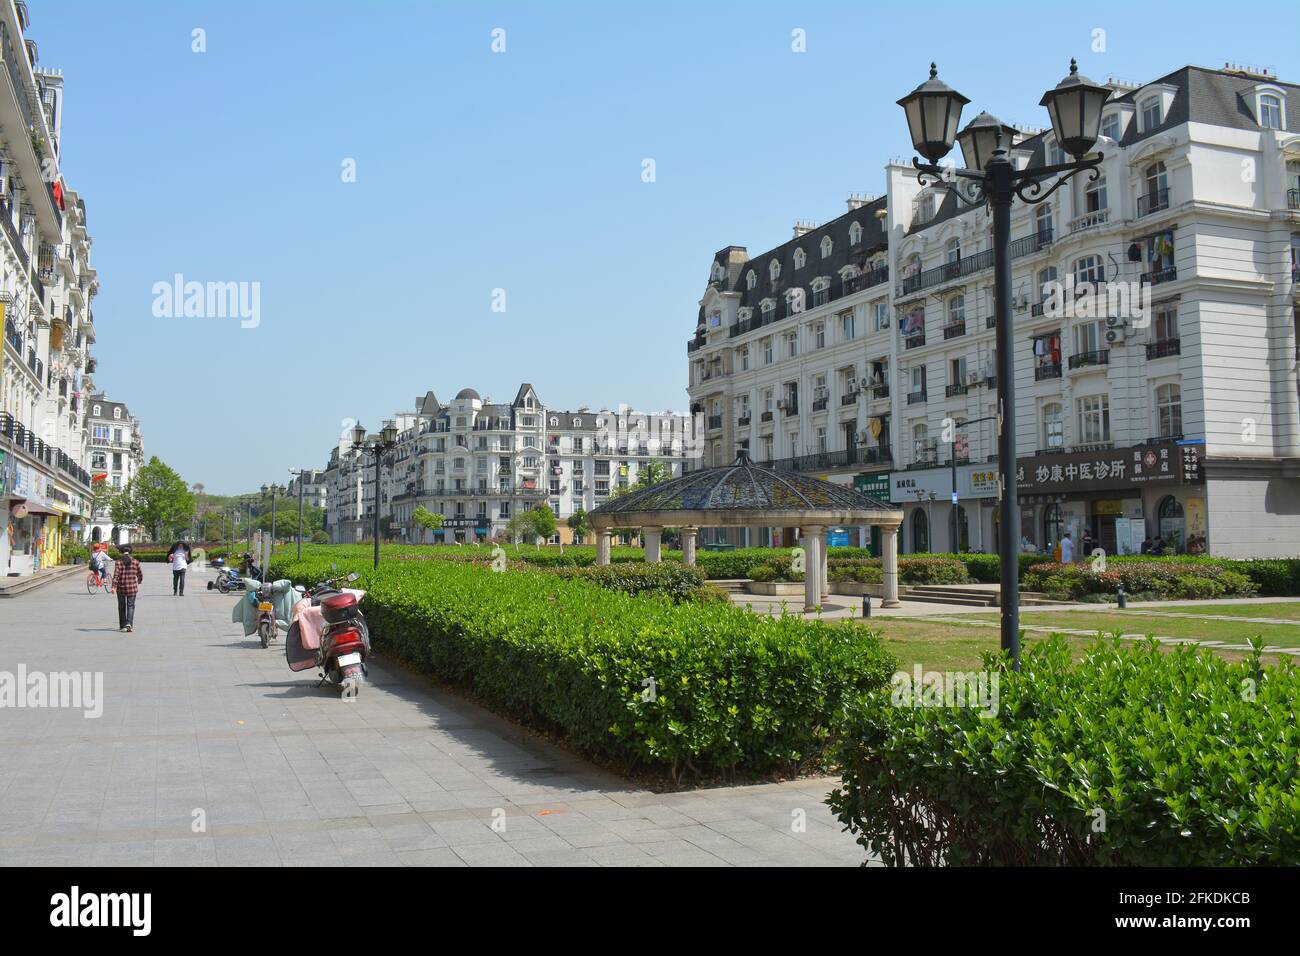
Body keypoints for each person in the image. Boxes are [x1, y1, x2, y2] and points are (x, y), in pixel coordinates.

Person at [112, 544, 144, 632]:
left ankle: (122, 625)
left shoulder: (118, 562)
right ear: (130, 552)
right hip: (132, 588)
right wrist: (139, 581)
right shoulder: (135, 562)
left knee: (121, 607)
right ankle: (129, 624)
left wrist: (113, 586)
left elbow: (116, 575)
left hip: (121, 587)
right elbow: (140, 574)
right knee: (131, 606)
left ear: (122, 552)